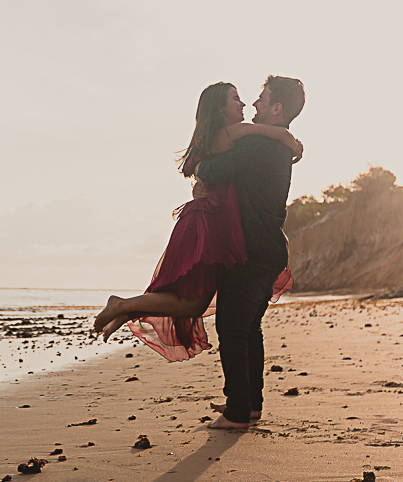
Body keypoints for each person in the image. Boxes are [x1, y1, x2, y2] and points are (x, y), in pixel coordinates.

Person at [91, 82, 302, 361]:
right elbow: (254, 134)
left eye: (251, 99)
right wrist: (288, 138)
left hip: (215, 223)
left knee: (192, 302)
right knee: (192, 301)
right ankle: (122, 306)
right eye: (236, 99)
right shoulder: (231, 134)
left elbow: (218, 168)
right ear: (220, 109)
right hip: (207, 224)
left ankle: (125, 308)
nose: (245, 104)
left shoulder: (231, 138)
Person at [193, 75, 305, 430]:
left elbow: (211, 168)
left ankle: (239, 409)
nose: (254, 105)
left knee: (232, 329)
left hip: (251, 252)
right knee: (249, 329)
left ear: (276, 108)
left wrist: (198, 170)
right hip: (269, 249)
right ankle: (250, 404)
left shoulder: (258, 146)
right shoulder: (276, 144)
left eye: (261, 99)